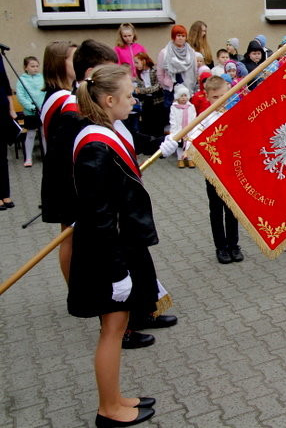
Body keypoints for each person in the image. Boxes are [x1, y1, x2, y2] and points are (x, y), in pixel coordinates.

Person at [69, 65, 176, 427]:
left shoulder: (107, 131)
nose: (135, 100)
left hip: (118, 245)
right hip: (106, 252)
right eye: (130, 95)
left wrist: (164, 145)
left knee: (118, 325)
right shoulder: (95, 146)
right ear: (109, 100)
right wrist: (117, 273)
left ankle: (115, 397)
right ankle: (108, 409)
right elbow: (100, 216)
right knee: (112, 330)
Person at [186, 75, 243, 264]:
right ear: (206, 96)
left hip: (231, 170)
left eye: (224, 96)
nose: (220, 101)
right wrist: (189, 150)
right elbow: (191, 138)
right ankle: (221, 247)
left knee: (232, 208)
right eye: (215, 97)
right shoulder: (203, 120)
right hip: (213, 173)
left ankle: (234, 245)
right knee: (216, 209)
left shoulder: (232, 113)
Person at [40, 40, 79, 278]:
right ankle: (74, 289)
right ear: (59, 64)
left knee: (72, 233)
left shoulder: (60, 95)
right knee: (70, 235)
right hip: (66, 176)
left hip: (63, 173)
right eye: (72, 58)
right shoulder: (63, 98)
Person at [16, 56, 45, 167]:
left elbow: (46, 93)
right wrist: (31, 107)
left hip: (42, 111)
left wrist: (44, 106)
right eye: (32, 66)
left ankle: (46, 156)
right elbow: (21, 96)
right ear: (25, 67)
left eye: (37, 66)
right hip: (31, 112)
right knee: (31, 134)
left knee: (43, 134)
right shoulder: (22, 80)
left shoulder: (42, 78)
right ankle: (28, 158)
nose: (35, 68)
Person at [157, 25, 197, 101]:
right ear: (173, 36)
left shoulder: (191, 52)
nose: (181, 38)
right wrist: (165, 86)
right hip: (170, 89)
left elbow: (195, 70)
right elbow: (160, 73)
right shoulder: (164, 53)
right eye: (178, 35)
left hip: (187, 87)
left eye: (183, 36)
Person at [132, 52, 166, 138]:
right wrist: (141, 91)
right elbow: (138, 87)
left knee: (158, 125)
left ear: (144, 61)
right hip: (146, 101)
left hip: (157, 101)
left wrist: (143, 91)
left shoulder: (155, 70)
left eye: (137, 62)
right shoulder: (139, 74)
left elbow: (157, 86)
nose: (135, 65)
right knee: (146, 125)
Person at [0, 57, 15, 210]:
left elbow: (5, 83)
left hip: (1, 111)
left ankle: (5, 193)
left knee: (2, 157)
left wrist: (11, 108)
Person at [169, 85, 196, 168]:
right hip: (179, 129)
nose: (184, 98)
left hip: (189, 130)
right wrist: (174, 131)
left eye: (185, 96)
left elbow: (194, 117)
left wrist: (193, 129)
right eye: (181, 96)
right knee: (180, 145)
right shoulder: (174, 107)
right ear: (177, 97)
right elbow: (172, 119)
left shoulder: (191, 106)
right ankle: (180, 159)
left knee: (189, 143)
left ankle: (190, 158)